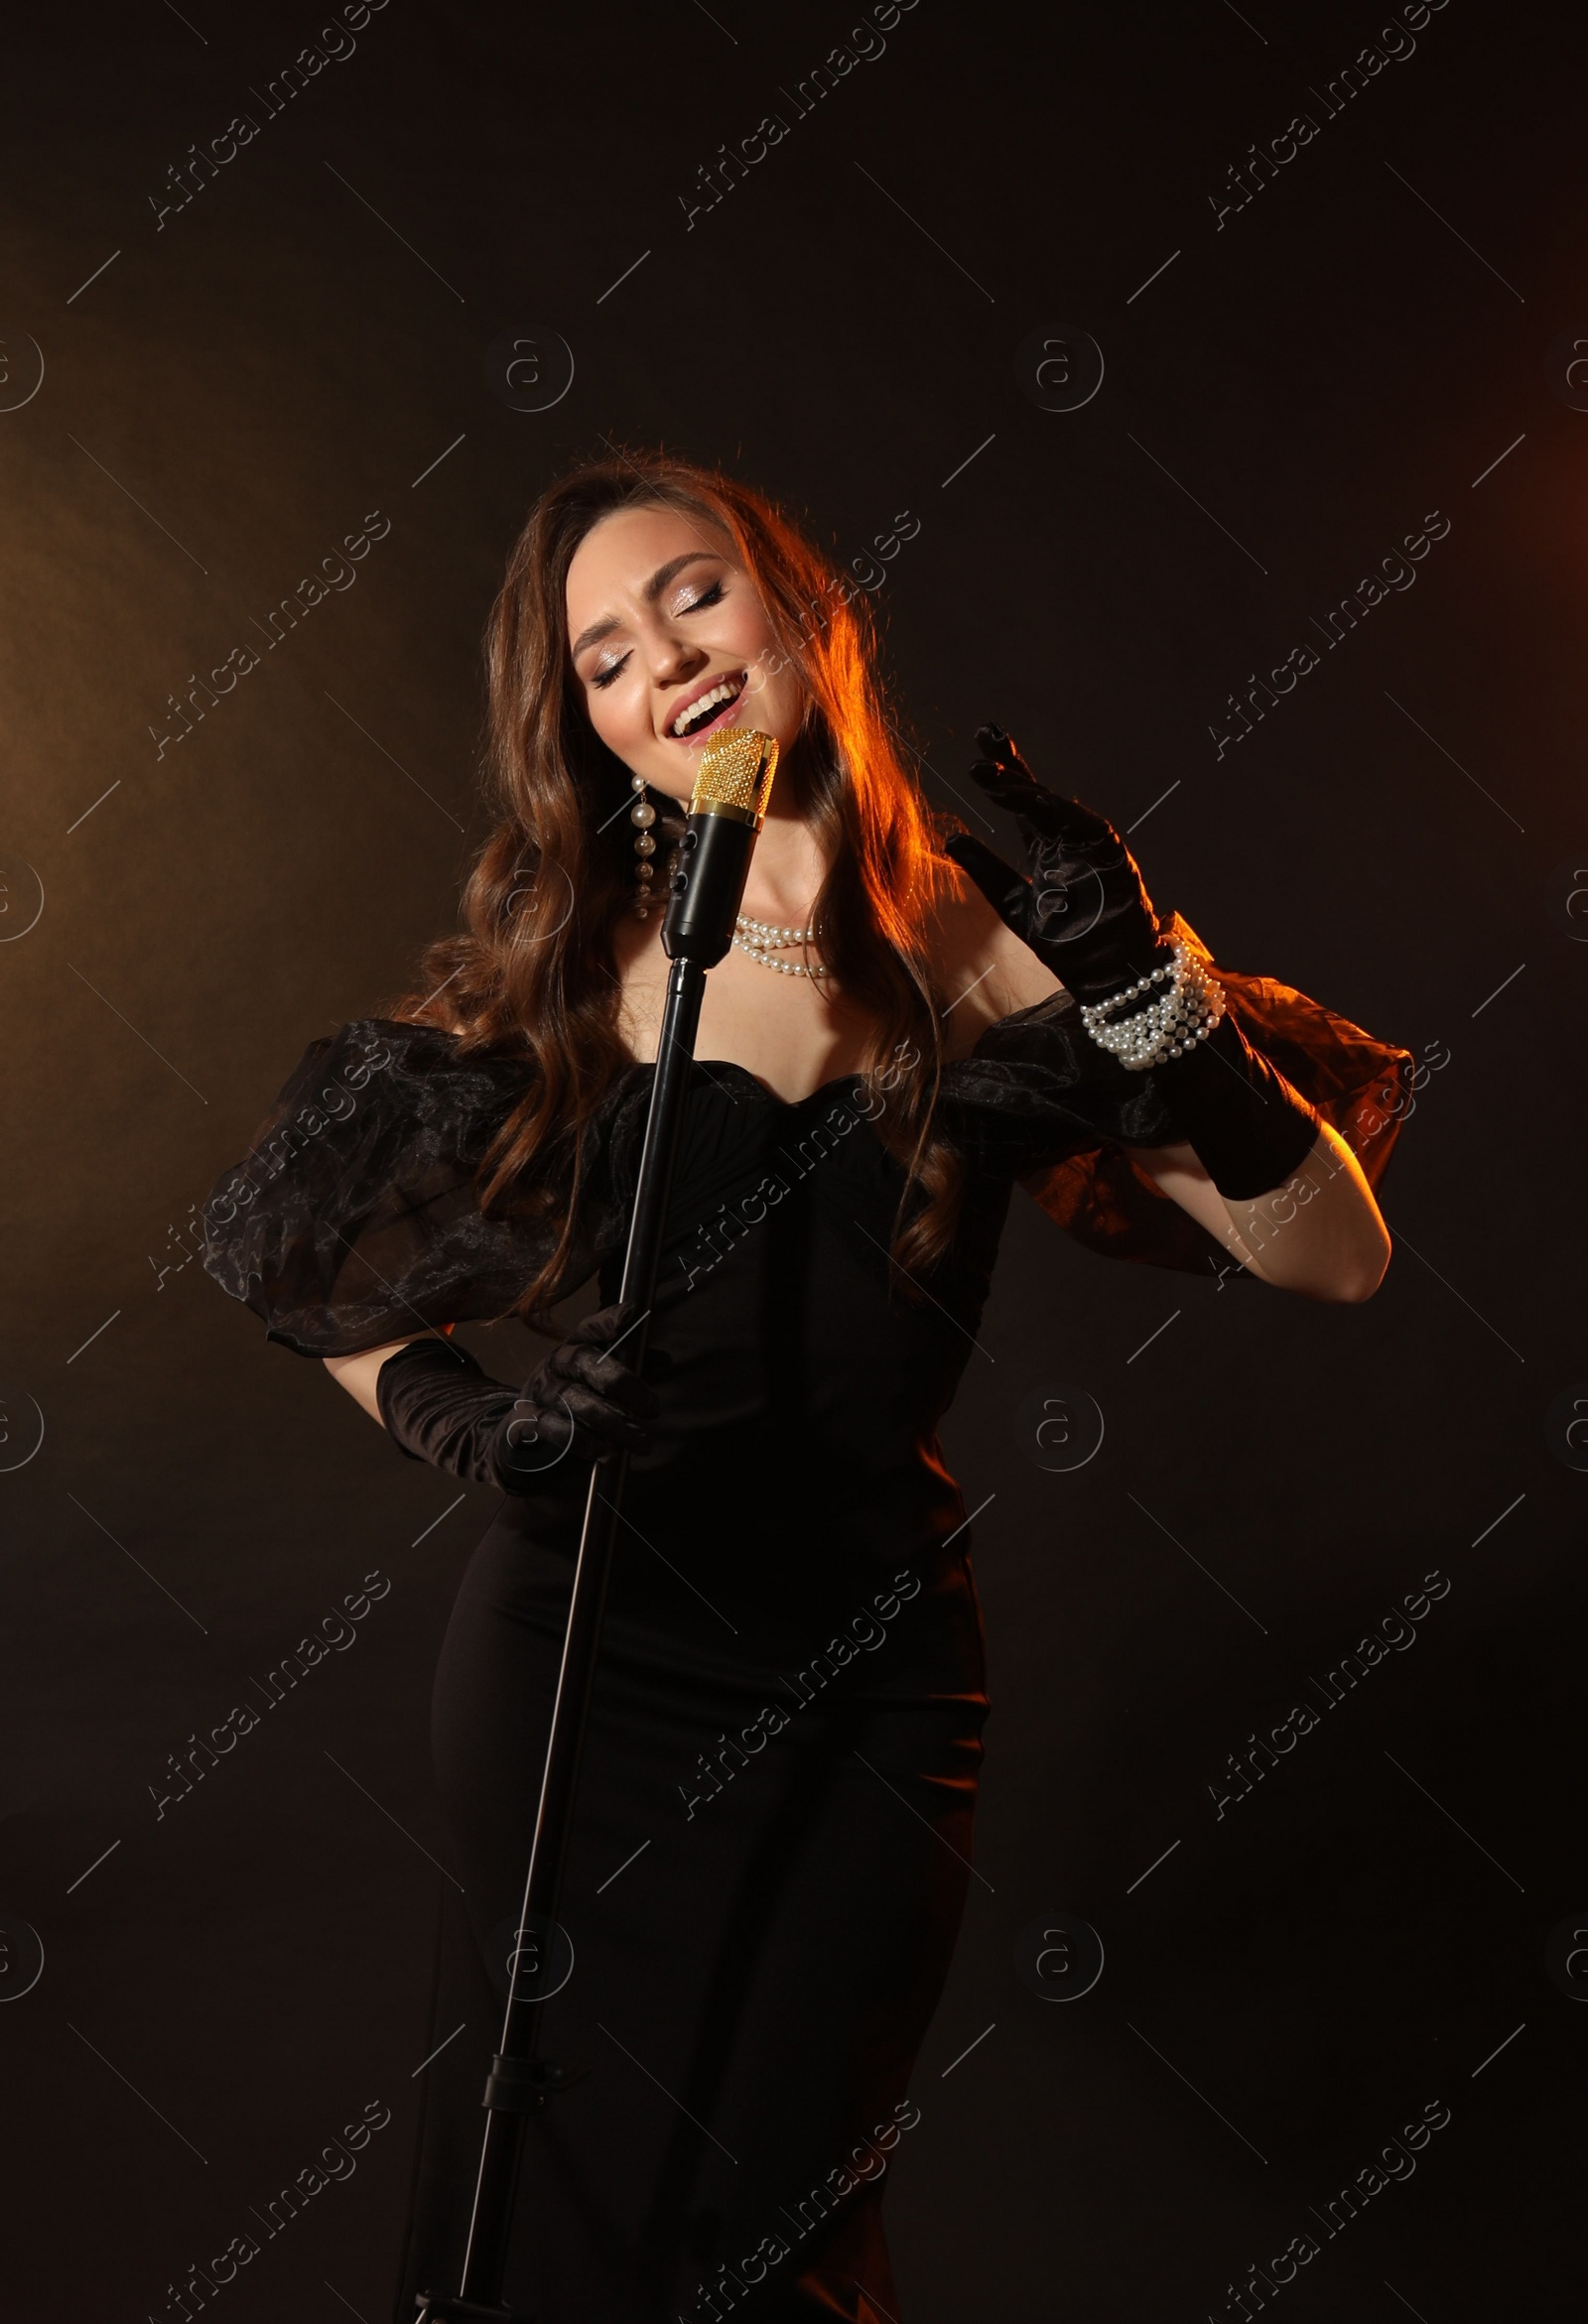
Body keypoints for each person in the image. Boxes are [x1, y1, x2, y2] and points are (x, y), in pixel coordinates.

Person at [201, 452, 1411, 2323]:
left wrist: (1142, 976)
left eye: (690, 595)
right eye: (600, 657)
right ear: (587, 727)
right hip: (587, 1658)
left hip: (866, 1673)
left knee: (770, 2225)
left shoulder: (995, 960)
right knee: (551, 2196)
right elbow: (296, 1250)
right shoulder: (570, 967)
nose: (660, 665)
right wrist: (467, 1424)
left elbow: (1329, 1252)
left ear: (804, 609)